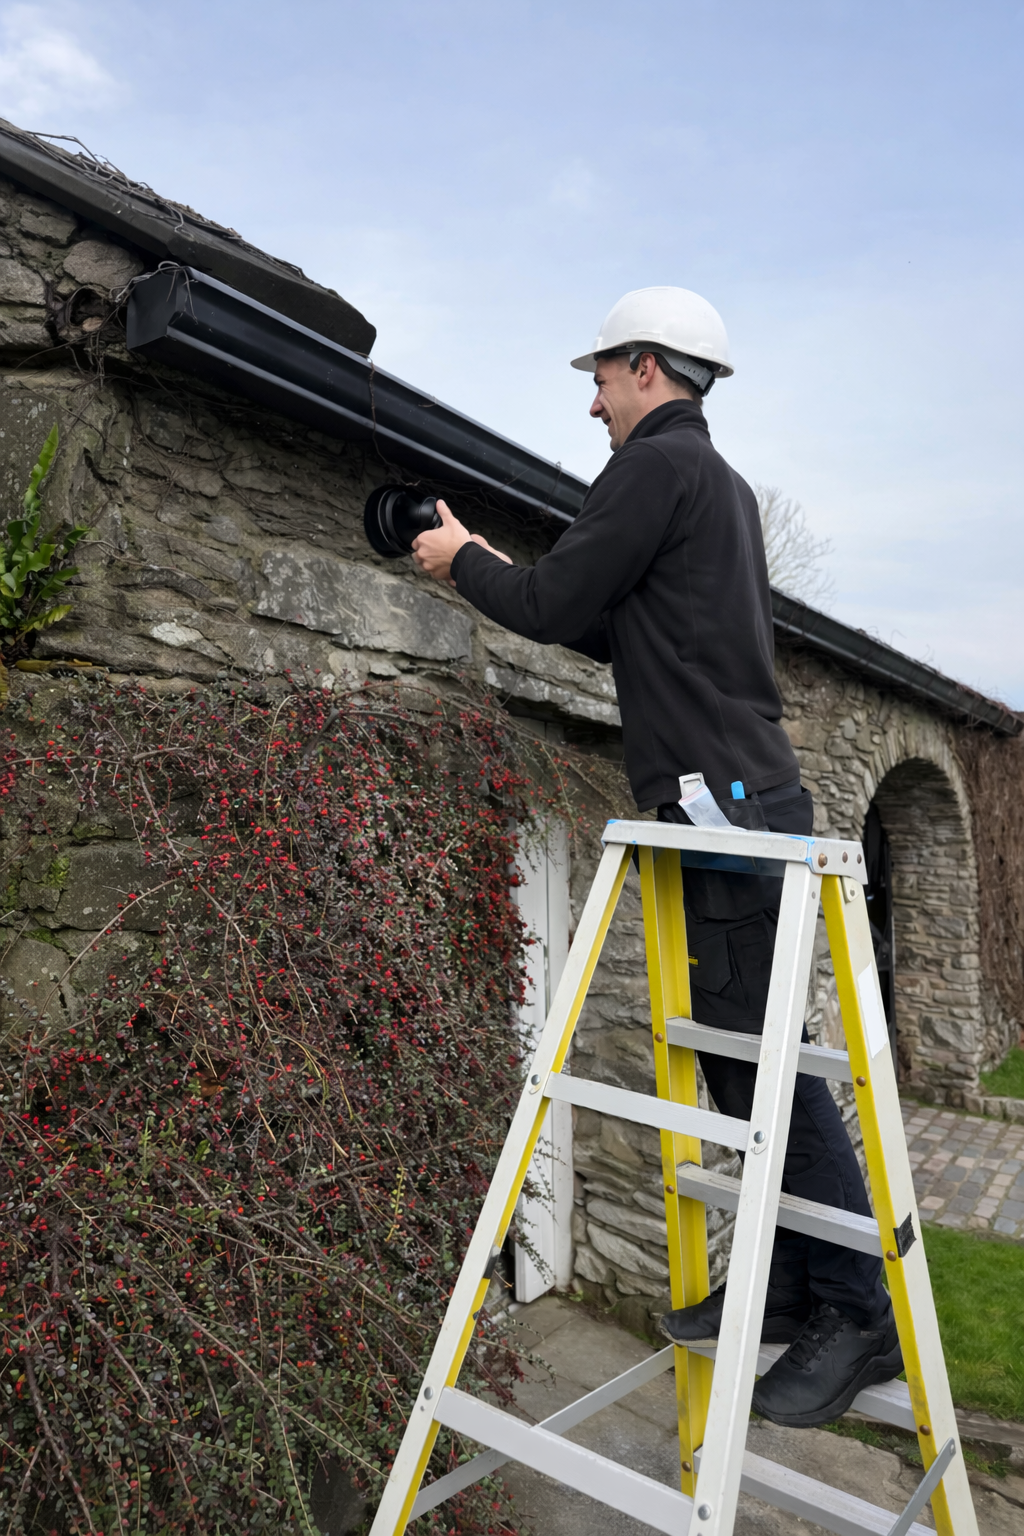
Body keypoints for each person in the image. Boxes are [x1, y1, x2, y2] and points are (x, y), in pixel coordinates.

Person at [410, 285, 902, 1428]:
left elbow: (544, 605)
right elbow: (601, 619)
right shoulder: (712, 485)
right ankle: (786, 1278)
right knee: (740, 1068)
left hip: (721, 811)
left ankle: (854, 1310)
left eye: (597, 379)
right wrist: (494, 559)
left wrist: (461, 560)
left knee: (765, 1072)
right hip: (736, 800)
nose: (590, 405)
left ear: (645, 366)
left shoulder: (654, 468)